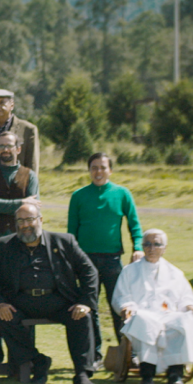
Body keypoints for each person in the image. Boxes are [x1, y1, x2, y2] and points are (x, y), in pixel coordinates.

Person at [0, 204, 100, 384]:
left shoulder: (64, 242)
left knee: (82, 317)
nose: (25, 225)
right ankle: (37, 360)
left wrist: (85, 302)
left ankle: (82, 375)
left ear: (40, 220)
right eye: (20, 221)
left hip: (58, 300)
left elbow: (89, 272)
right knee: (4, 318)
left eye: (29, 219)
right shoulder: (3, 245)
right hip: (19, 301)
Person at [68, 152, 144, 367]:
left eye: (103, 167)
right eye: (94, 167)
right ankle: (94, 356)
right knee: (89, 308)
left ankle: (127, 353)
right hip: (86, 262)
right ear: (89, 170)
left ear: (110, 170)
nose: (98, 172)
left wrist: (138, 248)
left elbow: (135, 225)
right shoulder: (79, 196)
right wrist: (71, 260)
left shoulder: (122, 194)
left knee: (119, 307)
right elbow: (71, 233)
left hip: (112, 260)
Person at [112, 229, 193, 384]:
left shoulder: (175, 273)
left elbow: (186, 297)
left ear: (164, 248)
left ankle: (175, 375)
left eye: (157, 244)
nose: (151, 248)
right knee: (145, 321)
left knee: (184, 320)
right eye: (147, 244)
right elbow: (121, 296)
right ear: (143, 246)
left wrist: (190, 306)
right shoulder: (130, 271)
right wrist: (127, 307)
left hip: (168, 314)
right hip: (141, 313)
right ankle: (147, 375)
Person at [0, 89, 39, 203]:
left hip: (16, 189)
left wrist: (30, 192)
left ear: (12, 105)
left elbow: (32, 162)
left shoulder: (28, 129)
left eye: (2, 102)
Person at [0, 131, 39, 239]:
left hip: (22, 235)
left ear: (18, 149)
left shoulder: (30, 175)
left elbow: (33, 208)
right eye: (1, 146)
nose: (5, 149)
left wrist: (0, 204)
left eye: (9, 146)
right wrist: (22, 202)